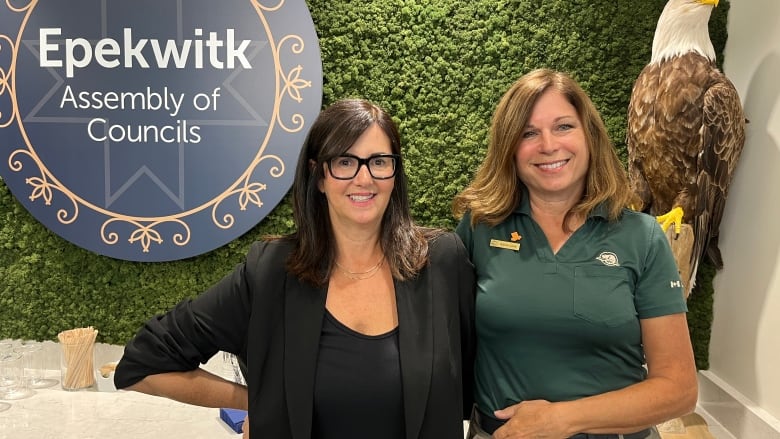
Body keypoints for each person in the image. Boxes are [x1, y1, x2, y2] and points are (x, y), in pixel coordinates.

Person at [114, 98, 476, 439]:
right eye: (345, 162)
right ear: (318, 176)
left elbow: (479, 376)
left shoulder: (441, 261)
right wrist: (258, 403)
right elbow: (143, 364)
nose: (364, 179)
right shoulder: (272, 272)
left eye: (379, 161)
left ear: (394, 173)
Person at [452, 69, 698, 439]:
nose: (548, 145)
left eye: (564, 126)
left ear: (590, 135)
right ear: (510, 148)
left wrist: (562, 419)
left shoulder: (641, 238)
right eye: (528, 133)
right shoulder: (480, 228)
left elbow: (679, 390)